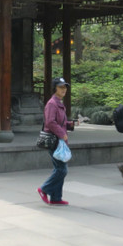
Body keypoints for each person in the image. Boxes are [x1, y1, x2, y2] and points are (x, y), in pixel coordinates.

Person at [37, 77, 75, 206]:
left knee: (59, 168)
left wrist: (71, 124)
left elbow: (60, 122)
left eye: (65, 87)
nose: (64, 89)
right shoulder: (52, 103)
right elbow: (50, 122)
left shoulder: (58, 102)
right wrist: (62, 133)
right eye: (61, 87)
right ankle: (44, 189)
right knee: (62, 169)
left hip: (59, 139)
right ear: (55, 88)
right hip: (54, 140)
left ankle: (56, 197)